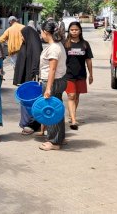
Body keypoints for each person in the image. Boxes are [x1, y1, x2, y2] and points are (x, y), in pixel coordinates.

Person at [38, 20, 67, 151]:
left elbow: (52, 70)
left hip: (53, 82)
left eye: (41, 32)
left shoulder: (54, 48)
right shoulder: (57, 45)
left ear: (45, 32)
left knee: (50, 111)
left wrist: (48, 88)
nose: (41, 34)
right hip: (57, 81)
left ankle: (54, 141)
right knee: (57, 110)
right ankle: (59, 137)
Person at [13, 26, 43, 135]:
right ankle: (26, 122)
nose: (21, 37)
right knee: (25, 101)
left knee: (31, 102)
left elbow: (36, 62)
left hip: (32, 79)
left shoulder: (35, 47)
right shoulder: (26, 45)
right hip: (26, 79)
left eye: (22, 35)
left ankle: (33, 124)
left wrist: (34, 75)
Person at [64, 22, 93, 130]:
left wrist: (91, 74)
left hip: (81, 75)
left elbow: (88, 60)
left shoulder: (85, 44)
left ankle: (72, 115)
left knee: (76, 96)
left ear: (80, 30)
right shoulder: (65, 44)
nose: (74, 31)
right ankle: (74, 120)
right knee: (71, 95)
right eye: (72, 30)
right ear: (69, 31)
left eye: (76, 29)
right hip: (68, 75)